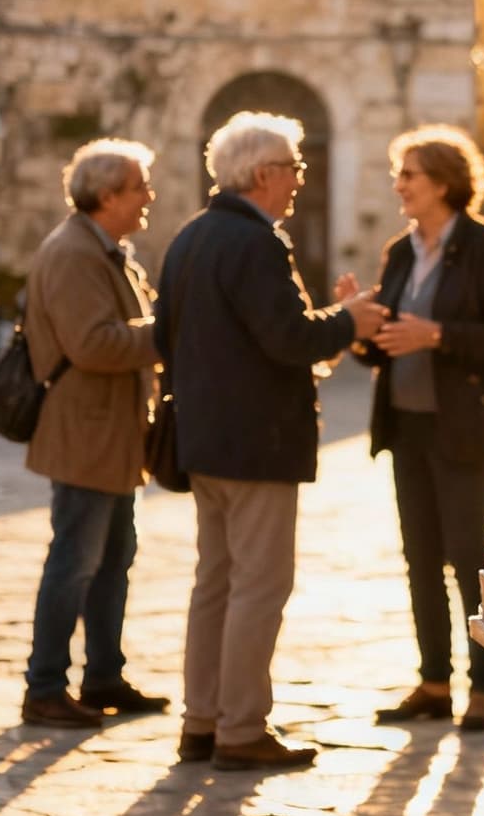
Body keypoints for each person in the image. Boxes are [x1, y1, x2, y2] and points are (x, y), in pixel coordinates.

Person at [158, 111, 387, 772]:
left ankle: (201, 721)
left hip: (204, 438)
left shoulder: (190, 237)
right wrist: (350, 319)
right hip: (255, 441)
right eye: (294, 168)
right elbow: (287, 337)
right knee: (258, 586)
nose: (299, 181)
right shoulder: (257, 243)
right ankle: (241, 728)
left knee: (215, 584)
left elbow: (167, 336)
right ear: (263, 174)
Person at [360, 125, 484, 733]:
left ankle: (483, 689)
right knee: (419, 556)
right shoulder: (400, 251)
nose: (398, 185)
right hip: (406, 425)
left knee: (466, 555)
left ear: (442, 183)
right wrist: (362, 328)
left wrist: (437, 335)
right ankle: (433, 683)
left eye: (408, 174)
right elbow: (386, 345)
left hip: (466, 428)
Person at [20, 139, 167, 728]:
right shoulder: (75, 253)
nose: (148, 197)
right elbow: (94, 344)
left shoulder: (107, 251)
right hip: (86, 433)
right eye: (139, 187)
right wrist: (168, 332)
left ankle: (104, 674)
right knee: (75, 560)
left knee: (113, 558)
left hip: (112, 433)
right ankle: (46, 685)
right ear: (107, 195)